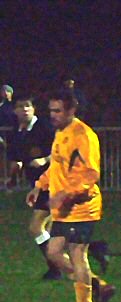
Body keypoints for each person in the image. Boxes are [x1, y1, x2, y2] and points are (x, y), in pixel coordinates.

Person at [25, 90, 115, 302]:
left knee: (77, 255)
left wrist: (65, 194)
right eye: (51, 110)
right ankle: (97, 286)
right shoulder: (61, 132)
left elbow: (90, 174)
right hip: (64, 210)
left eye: (58, 111)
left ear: (71, 110)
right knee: (54, 253)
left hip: (82, 207)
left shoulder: (83, 135)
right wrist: (39, 186)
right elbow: (56, 166)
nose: (52, 115)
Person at [5, 95, 59, 279]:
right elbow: (16, 160)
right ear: (14, 111)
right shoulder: (15, 133)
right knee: (48, 231)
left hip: (54, 183)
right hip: (37, 186)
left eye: (28, 106)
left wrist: (45, 159)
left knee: (36, 228)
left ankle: (59, 267)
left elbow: (62, 153)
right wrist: (12, 177)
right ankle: (57, 267)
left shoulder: (44, 128)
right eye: (20, 107)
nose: (25, 110)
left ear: (34, 108)